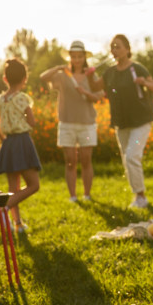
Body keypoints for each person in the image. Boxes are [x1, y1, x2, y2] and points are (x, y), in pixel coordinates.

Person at [87, 34, 153, 209]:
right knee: (127, 159)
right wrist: (90, 76)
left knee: (132, 156)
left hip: (142, 121)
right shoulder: (109, 72)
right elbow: (95, 87)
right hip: (121, 122)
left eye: (118, 46)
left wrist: (144, 82)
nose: (115, 50)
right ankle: (138, 195)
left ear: (127, 49)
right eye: (113, 47)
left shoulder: (138, 69)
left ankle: (141, 197)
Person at [40, 40, 103, 202]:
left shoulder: (91, 75)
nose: (76, 60)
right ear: (70, 57)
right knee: (70, 161)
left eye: (79, 56)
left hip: (87, 123)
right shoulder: (62, 76)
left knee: (86, 160)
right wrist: (59, 68)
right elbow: (43, 77)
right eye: (73, 56)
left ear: (84, 57)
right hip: (67, 123)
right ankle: (73, 196)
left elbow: (98, 96)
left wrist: (86, 93)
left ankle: (87, 195)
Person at [0, 58, 42, 233]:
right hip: (22, 141)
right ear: (24, 79)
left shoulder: (1, 100)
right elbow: (33, 122)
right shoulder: (22, 98)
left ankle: (18, 224)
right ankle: (2, 209)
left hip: (9, 143)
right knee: (34, 185)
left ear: (5, 79)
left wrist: (3, 139)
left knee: (14, 188)